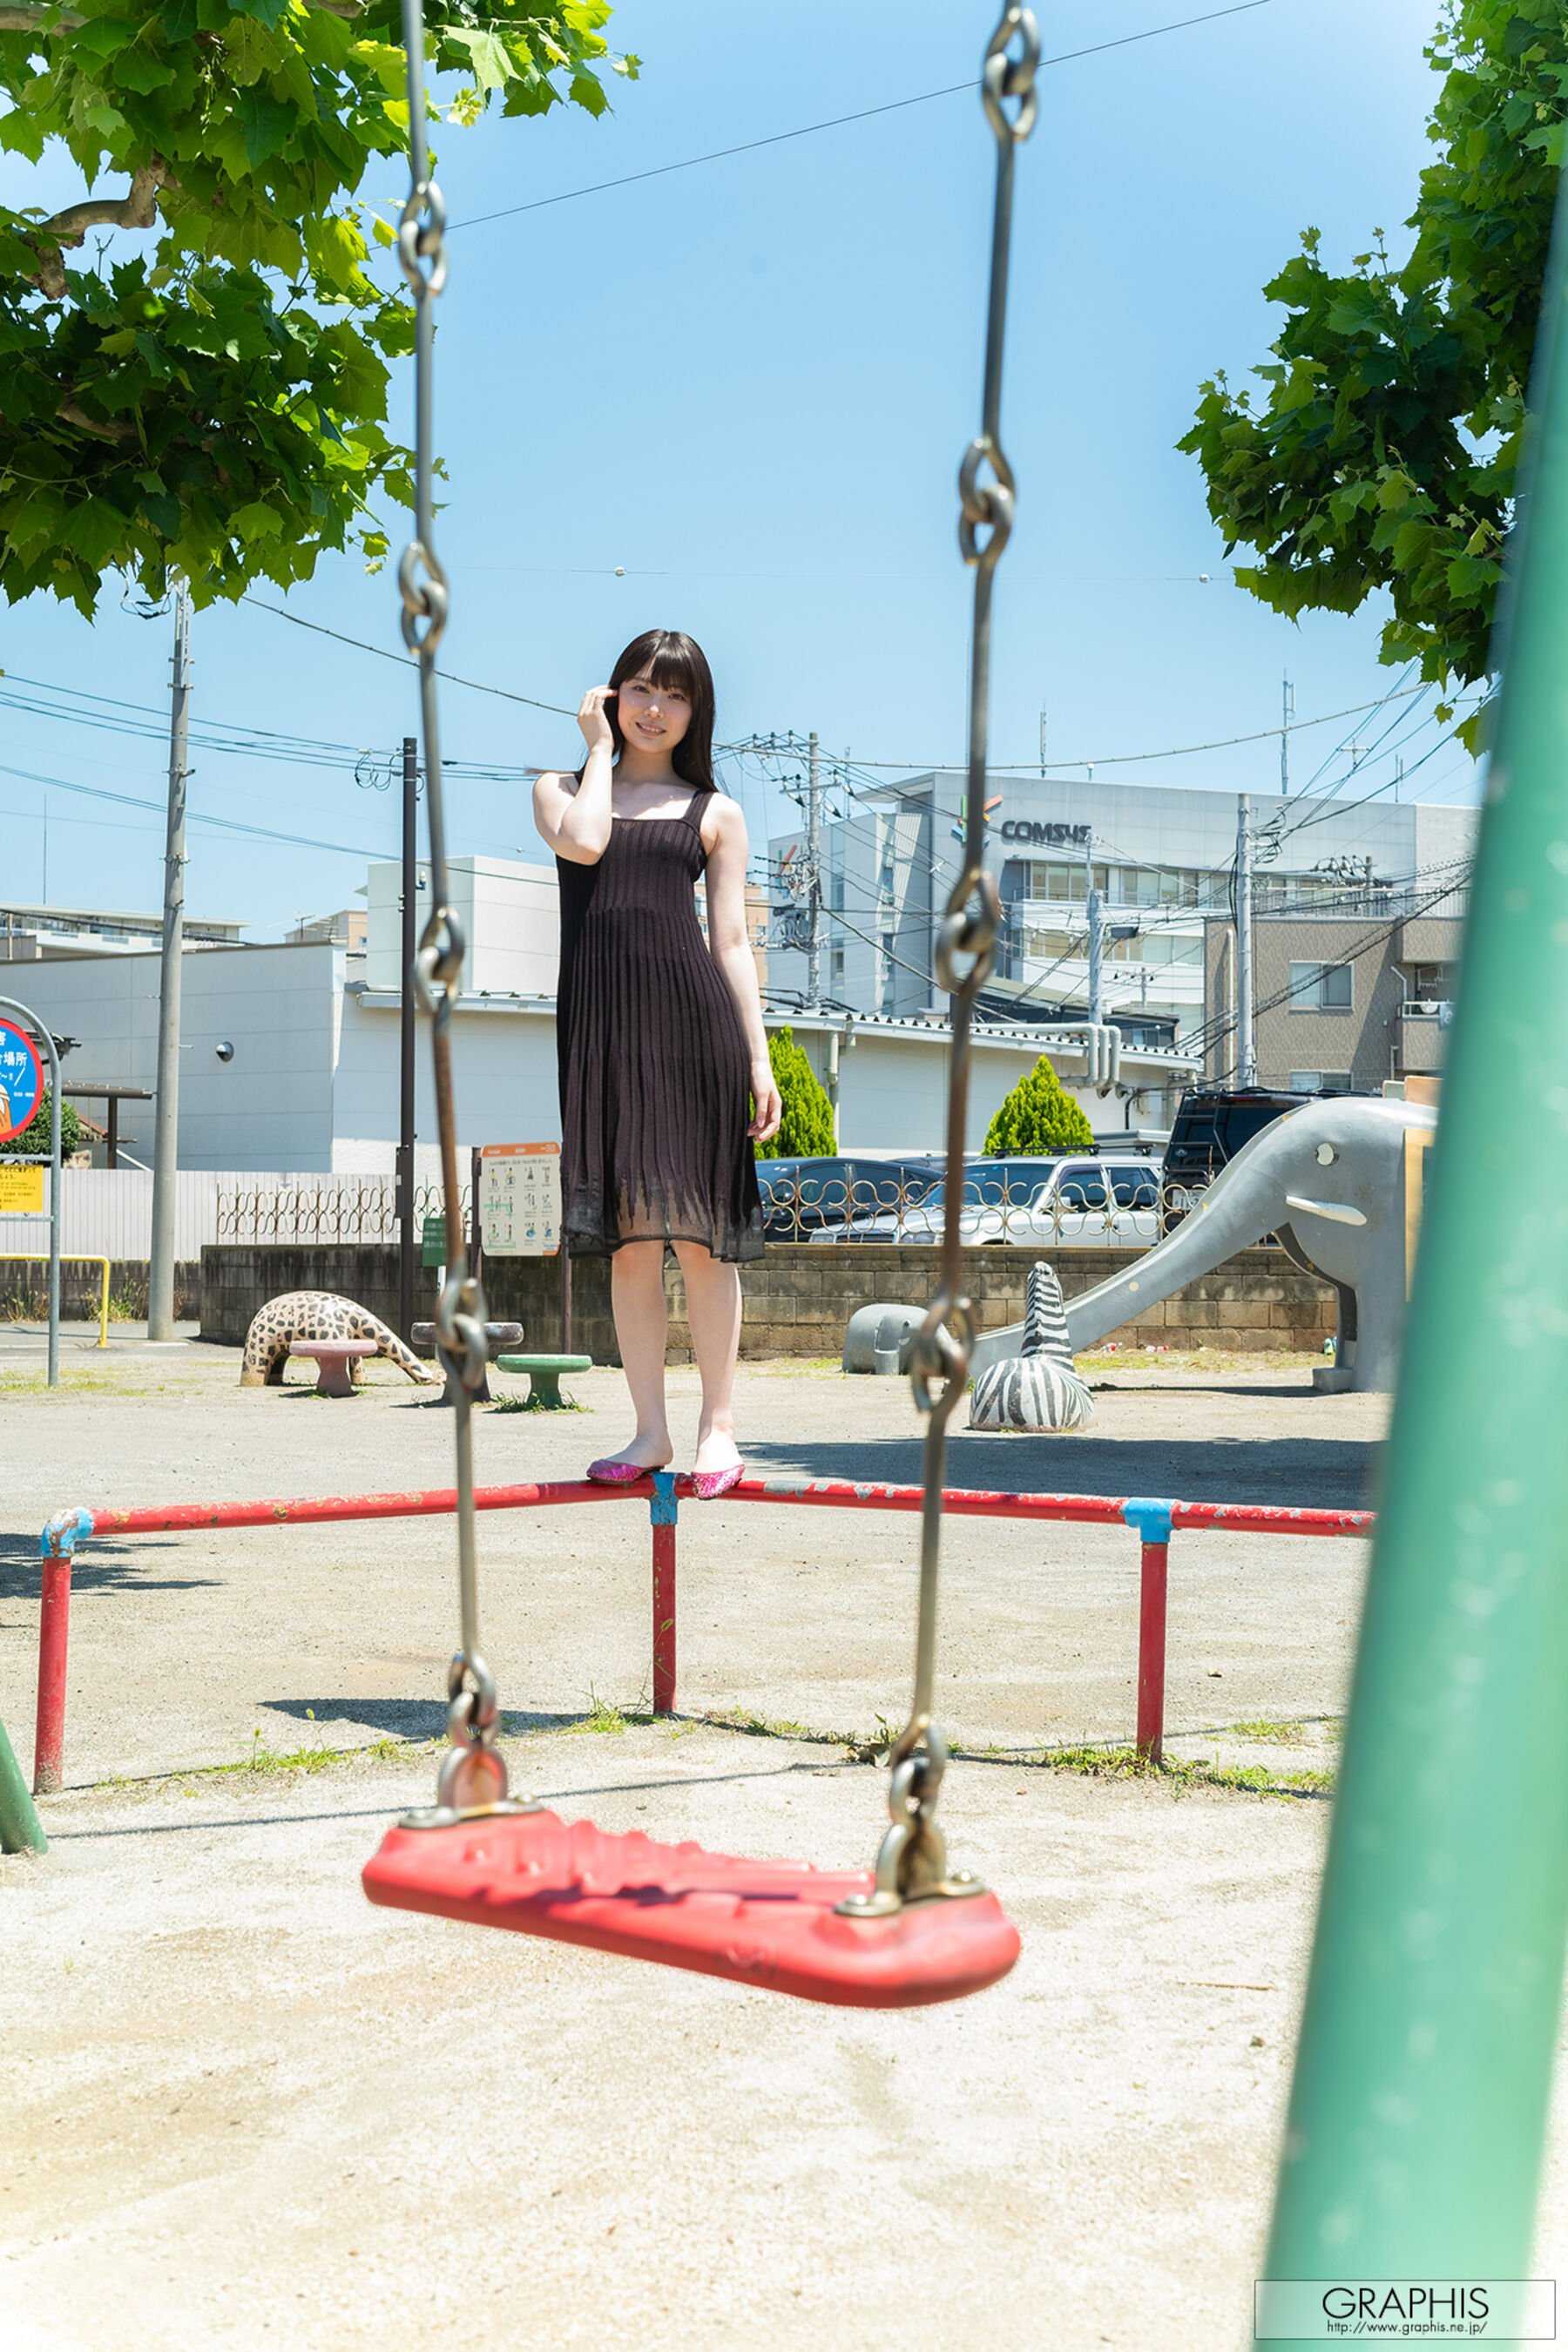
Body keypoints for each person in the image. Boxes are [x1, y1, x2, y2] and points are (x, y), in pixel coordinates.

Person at [533, 628, 781, 1499]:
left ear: (695, 711)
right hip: (602, 1032)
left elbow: (733, 942)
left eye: (675, 695)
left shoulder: (715, 812)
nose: (655, 708)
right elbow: (585, 845)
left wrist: (759, 1059)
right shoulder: (561, 789)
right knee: (629, 1244)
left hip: (693, 1029)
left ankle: (719, 1427)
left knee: (704, 1239)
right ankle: (649, 1431)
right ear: (611, 696)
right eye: (640, 688)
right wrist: (599, 751)